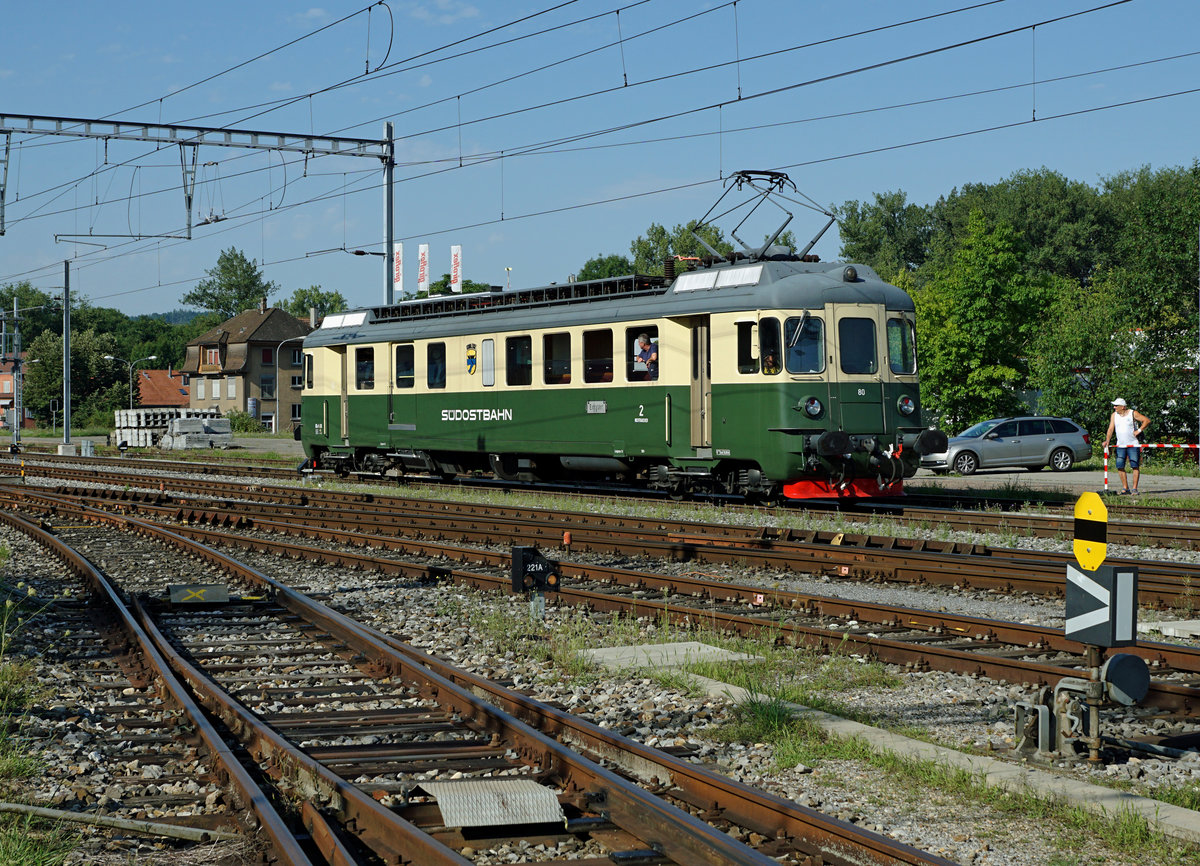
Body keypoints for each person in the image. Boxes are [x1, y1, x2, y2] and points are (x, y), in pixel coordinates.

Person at [1102, 397, 1150, 495]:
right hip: (1120, 445)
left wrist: (1139, 431)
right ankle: (1125, 488)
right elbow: (1111, 428)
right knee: (1120, 465)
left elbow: (1146, 420)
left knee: (1135, 465)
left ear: (1123, 407)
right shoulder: (1114, 415)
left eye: (1116, 406)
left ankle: (1134, 489)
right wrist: (1107, 440)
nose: (1114, 407)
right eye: (1114, 406)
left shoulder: (1133, 413)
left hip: (1133, 444)